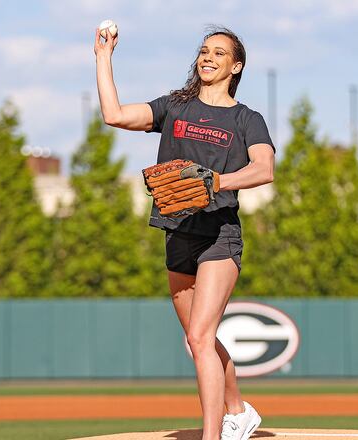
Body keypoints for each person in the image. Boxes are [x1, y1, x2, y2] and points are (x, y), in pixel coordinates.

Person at [95, 24, 275, 440]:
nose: (208, 57)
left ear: (236, 65)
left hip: (219, 235)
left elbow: (264, 168)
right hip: (177, 233)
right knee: (198, 343)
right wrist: (103, 57)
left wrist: (217, 181)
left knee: (200, 333)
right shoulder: (175, 108)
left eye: (219, 52)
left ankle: (212, 435)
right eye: (204, 51)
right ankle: (238, 410)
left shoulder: (246, 119)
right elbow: (115, 115)